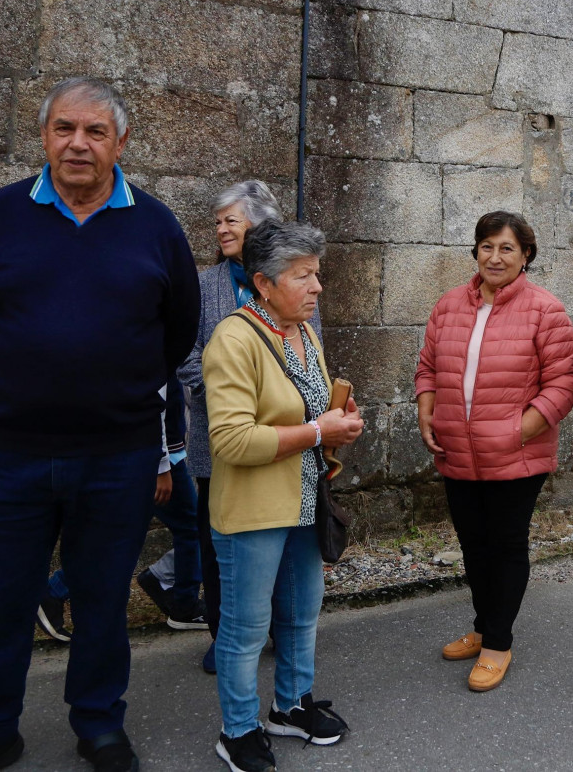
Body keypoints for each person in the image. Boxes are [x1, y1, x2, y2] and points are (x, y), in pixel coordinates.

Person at [0, 77, 200, 772]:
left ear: (121, 142)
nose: (77, 144)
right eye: (64, 129)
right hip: (5, 454)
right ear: (44, 135)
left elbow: (174, 335)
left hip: (115, 456)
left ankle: (98, 723)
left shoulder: (157, 227)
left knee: (100, 597)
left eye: (94, 131)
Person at [202, 220, 361, 772]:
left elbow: (309, 417)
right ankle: (238, 728)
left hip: (303, 501)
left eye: (317, 274)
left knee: (300, 615)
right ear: (264, 282)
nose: (317, 287)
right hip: (251, 511)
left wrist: (337, 422)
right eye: (303, 276)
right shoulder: (234, 339)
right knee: (245, 630)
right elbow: (231, 439)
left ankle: (290, 705)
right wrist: (320, 433)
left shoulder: (304, 333)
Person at [414, 211, 573, 692]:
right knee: (473, 544)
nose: (495, 256)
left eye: (507, 248)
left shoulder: (545, 310)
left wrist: (517, 431)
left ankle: (498, 643)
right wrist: (427, 413)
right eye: (487, 246)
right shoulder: (449, 306)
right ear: (475, 251)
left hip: (516, 456)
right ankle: (483, 625)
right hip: (456, 452)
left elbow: (565, 382)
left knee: (505, 545)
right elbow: (428, 368)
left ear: (526, 254)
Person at [177, 181, 319, 674]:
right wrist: (229, 386)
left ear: (260, 225)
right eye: (217, 222)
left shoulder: (298, 284)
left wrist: (272, 394)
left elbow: (309, 352)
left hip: (286, 443)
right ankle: (226, 636)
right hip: (219, 438)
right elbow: (184, 354)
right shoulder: (202, 285)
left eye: (230, 220)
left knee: (284, 549)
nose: (220, 230)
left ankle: (281, 631)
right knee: (221, 547)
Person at [37, 376, 202, 642]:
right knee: (191, 528)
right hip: (160, 459)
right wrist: (162, 465)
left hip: (154, 454)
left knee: (120, 536)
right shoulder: (155, 341)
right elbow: (156, 402)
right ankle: (184, 604)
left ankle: (56, 590)